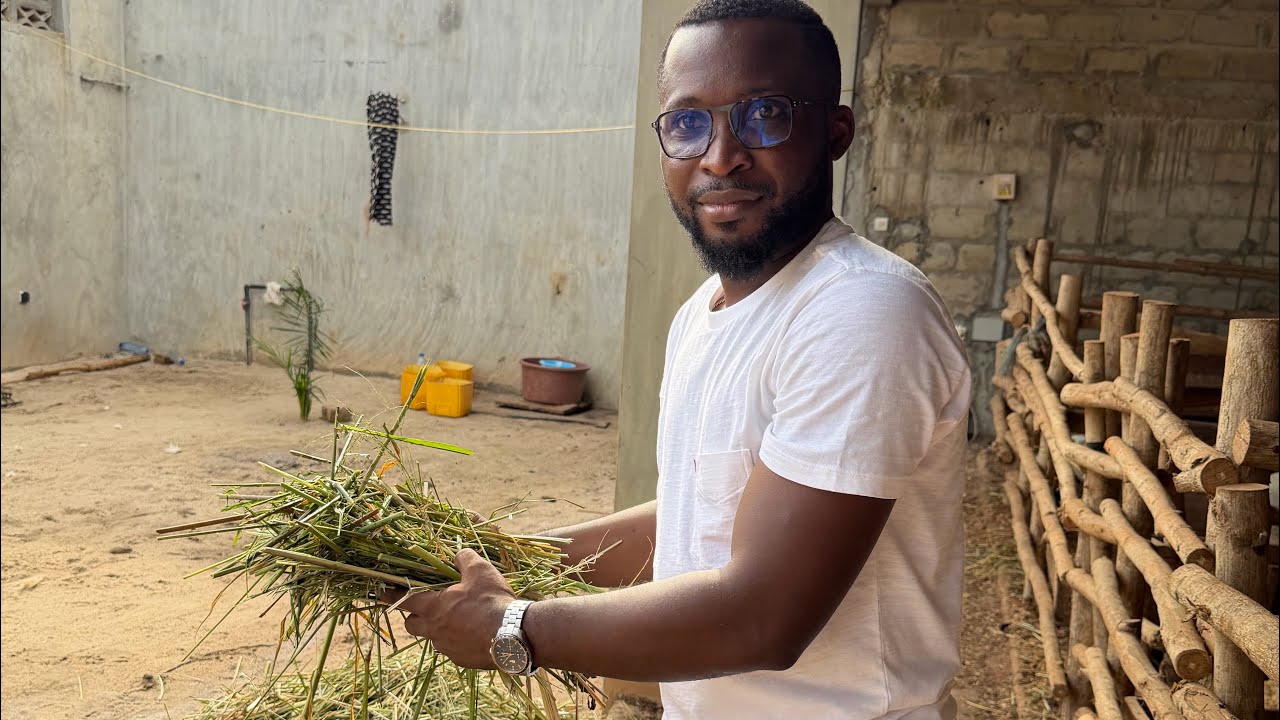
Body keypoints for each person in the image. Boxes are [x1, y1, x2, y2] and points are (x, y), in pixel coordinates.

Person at [386, 1, 971, 717]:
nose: (721, 156)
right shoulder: (702, 316)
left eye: (765, 115)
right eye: (689, 123)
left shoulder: (864, 312)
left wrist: (513, 627)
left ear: (835, 132)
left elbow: (764, 617)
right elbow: (696, 524)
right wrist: (499, 557)